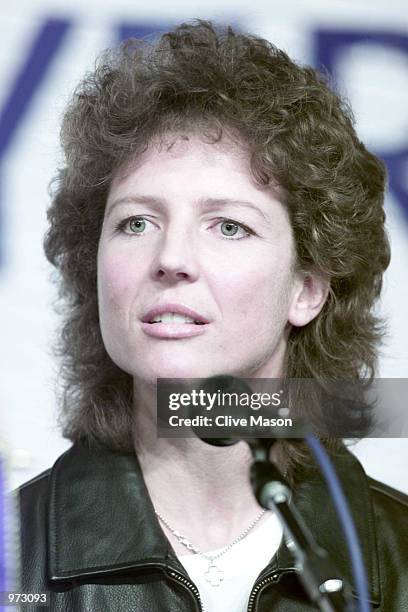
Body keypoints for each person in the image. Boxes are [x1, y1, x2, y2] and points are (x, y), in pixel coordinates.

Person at [18, 20, 408, 611]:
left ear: (307, 288)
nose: (171, 259)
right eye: (136, 222)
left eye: (229, 226)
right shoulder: (13, 561)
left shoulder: (397, 557)